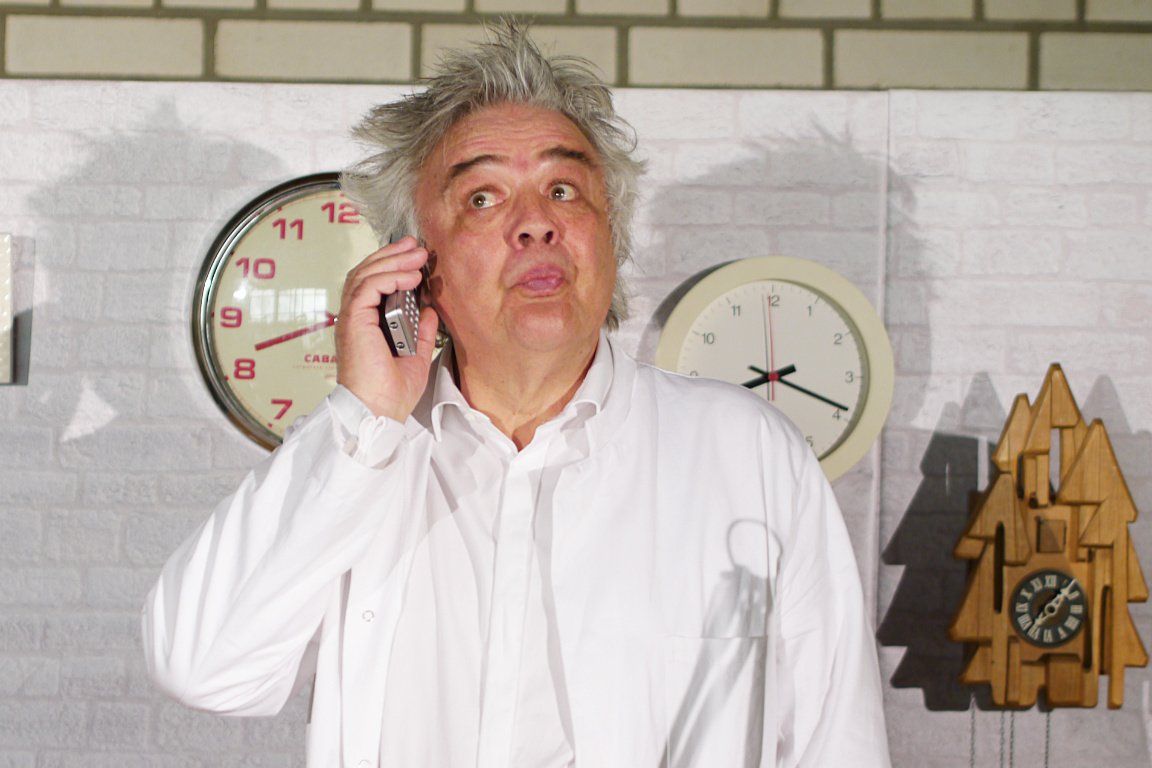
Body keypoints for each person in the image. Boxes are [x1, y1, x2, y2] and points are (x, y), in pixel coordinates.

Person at [142, 21, 891, 768]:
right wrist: (362, 415)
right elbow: (203, 669)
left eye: (563, 190)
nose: (536, 224)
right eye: (482, 198)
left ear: (611, 235)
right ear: (412, 261)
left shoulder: (746, 451)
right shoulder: (361, 460)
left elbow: (838, 743)